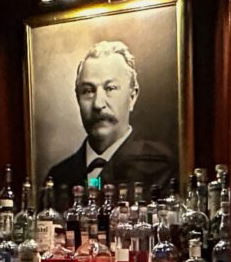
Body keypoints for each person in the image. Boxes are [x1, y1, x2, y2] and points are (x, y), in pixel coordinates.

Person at [46, 40, 176, 206]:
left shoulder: (162, 166)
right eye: (88, 91)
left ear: (132, 96)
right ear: (77, 97)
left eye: (110, 88)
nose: (98, 104)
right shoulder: (58, 176)